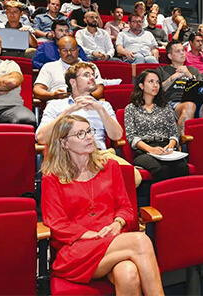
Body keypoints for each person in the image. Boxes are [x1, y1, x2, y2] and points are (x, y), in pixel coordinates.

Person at [40, 115, 164, 293]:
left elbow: (125, 208)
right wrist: (89, 234)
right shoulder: (52, 178)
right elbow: (56, 223)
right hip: (77, 249)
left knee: (128, 273)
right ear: (64, 143)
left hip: (113, 238)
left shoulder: (111, 167)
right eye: (80, 134)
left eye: (89, 131)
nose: (89, 137)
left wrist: (117, 223)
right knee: (141, 240)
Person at [36, 62, 141, 186]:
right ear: (73, 82)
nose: (92, 78)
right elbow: (41, 138)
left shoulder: (103, 106)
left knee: (134, 177)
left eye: (93, 75)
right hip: (68, 155)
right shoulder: (56, 105)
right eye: (86, 75)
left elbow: (117, 136)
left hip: (99, 154)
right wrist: (69, 111)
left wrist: (99, 109)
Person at [125, 70, 187, 182]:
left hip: (165, 147)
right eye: (151, 81)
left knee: (182, 167)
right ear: (141, 85)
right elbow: (131, 137)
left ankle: (179, 199)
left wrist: (170, 145)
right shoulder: (131, 108)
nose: (155, 85)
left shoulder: (165, 107)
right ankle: (160, 199)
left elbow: (173, 132)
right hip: (145, 149)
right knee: (161, 169)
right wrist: (151, 149)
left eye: (158, 82)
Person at [157, 40, 203, 136]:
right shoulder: (162, 70)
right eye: (177, 51)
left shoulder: (193, 70)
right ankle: (182, 142)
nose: (182, 53)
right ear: (170, 56)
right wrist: (174, 77)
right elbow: (158, 90)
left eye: (183, 50)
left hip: (196, 102)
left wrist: (189, 76)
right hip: (174, 104)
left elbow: (202, 90)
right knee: (189, 105)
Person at [34, 36, 104, 101]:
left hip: (87, 103)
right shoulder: (49, 67)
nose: (69, 53)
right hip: (58, 104)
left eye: (72, 50)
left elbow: (100, 89)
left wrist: (86, 97)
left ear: (78, 50)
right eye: (64, 50)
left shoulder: (90, 66)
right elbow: (37, 90)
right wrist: (53, 95)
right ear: (59, 51)